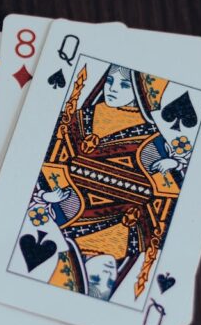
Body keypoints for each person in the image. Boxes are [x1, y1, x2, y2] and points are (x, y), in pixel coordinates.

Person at [35, 64, 189, 300]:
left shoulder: (149, 135)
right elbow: (47, 158)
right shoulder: (81, 118)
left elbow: (171, 193)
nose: (113, 89)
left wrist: (173, 164)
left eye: (124, 84)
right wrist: (48, 195)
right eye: (110, 81)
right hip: (93, 212)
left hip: (104, 218)